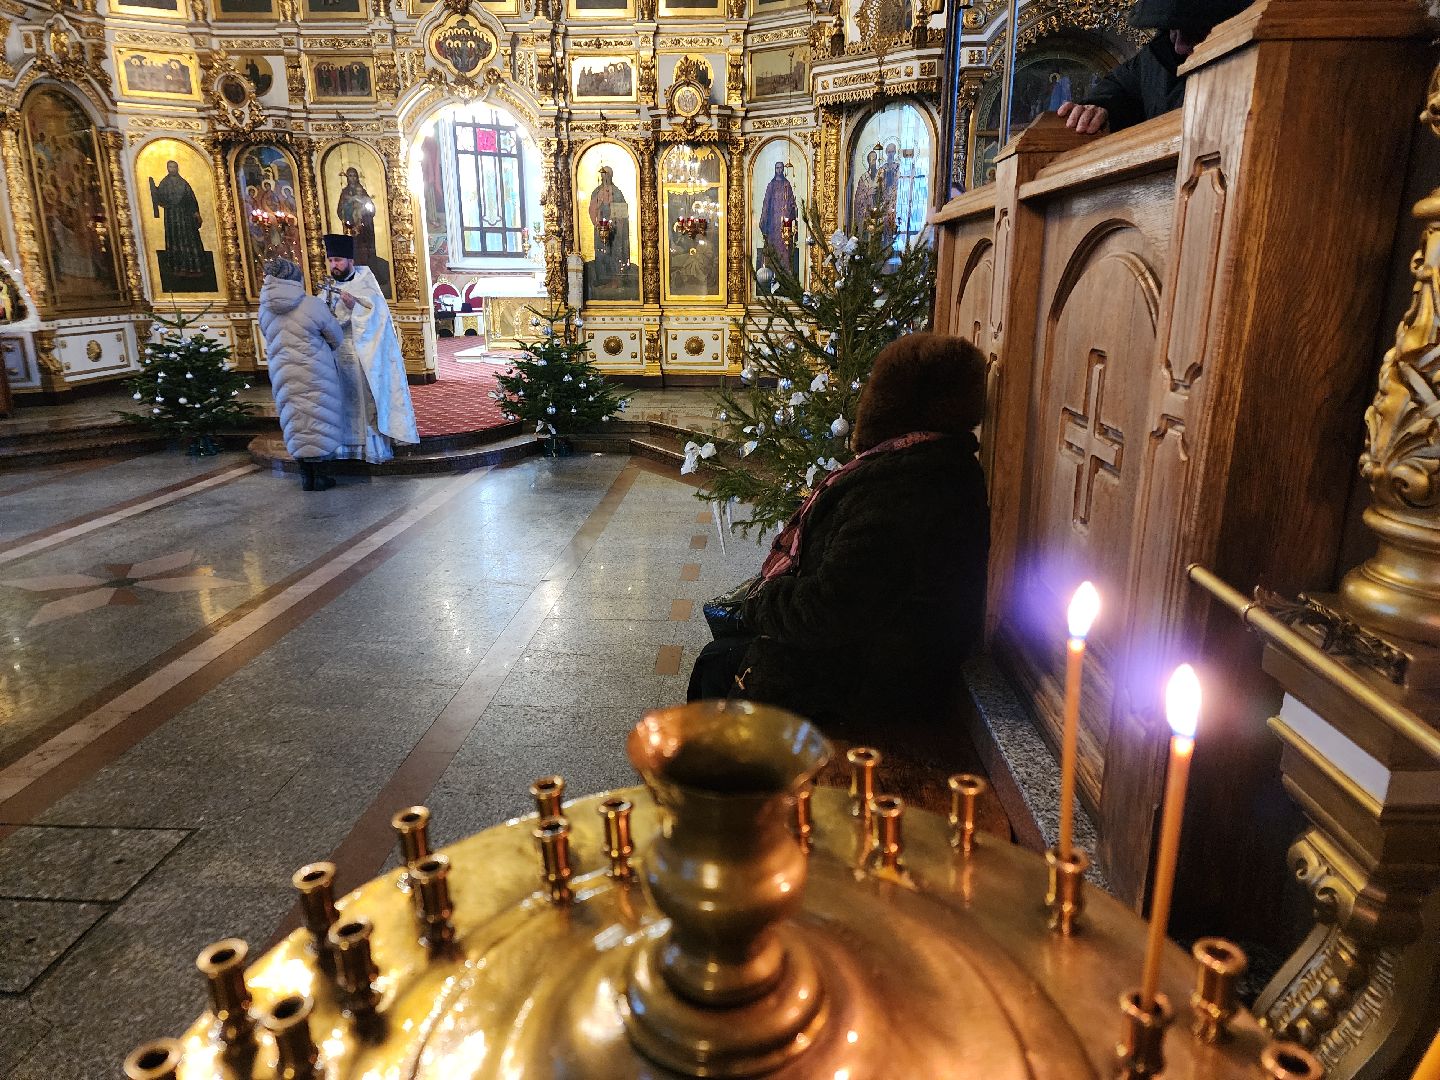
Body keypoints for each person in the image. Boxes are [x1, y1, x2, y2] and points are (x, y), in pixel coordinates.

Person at [688, 333, 991, 761]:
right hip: (890, 657)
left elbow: (828, 609)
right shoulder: (935, 464)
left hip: (878, 681)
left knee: (719, 663)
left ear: (892, 400)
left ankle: (721, 796)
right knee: (724, 655)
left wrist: (762, 601)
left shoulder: (902, 488)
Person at [1057, 0, 1253, 134]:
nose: (1178, 46)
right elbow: (1121, 86)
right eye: (1173, 28)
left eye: (1195, 31)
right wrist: (1101, 108)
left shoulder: (1258, 57)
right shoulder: (1159, 53)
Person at [321, 232, 419, 464]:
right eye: (331, 260)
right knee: (341, 400)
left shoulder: (366, 283)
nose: (334, 265)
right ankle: (344, 448)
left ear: (350, 261)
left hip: (362, 355)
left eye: (338, 260)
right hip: (336, 356)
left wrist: (355, 307)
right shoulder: (326, 287)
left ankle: (371, 447)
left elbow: (378, 318)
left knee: (365, 399)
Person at [257, 258, 347, 492]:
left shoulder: (264, 308)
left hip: (282, 371)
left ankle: (306, 477)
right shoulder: (312, 305)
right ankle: (321, 476)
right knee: (319, 416)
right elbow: (335, 337)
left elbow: (268, 335)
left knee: (294, 417)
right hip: (314, 370)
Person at [149, 160, 208, 284]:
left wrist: (196, 213)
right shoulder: (164, 183)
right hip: (172, 218)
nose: (172, 169)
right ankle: (177, 268)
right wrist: (154, 190)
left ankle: (194, 268)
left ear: (177, 168)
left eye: (174, 166)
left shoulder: (184, 183)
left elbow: (191, 199)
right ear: (167, 168)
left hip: (185, 217)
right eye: (170, 167)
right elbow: (160, 198)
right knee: (175, 239)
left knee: (190, 239)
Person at [757, 160, 800, 277]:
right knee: (772, 247)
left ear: (783, 170)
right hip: (773, 224)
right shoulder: (771, 185)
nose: (779, 170)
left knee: (785, 248)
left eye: (781, 168)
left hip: (785, 224)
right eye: (777, 168)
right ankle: (771, 274)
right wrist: (764, 221)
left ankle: (785, 275)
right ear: (775, 170)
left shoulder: (787, 185)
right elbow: (766, 203)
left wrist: (793, 209)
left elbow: (792, 202)